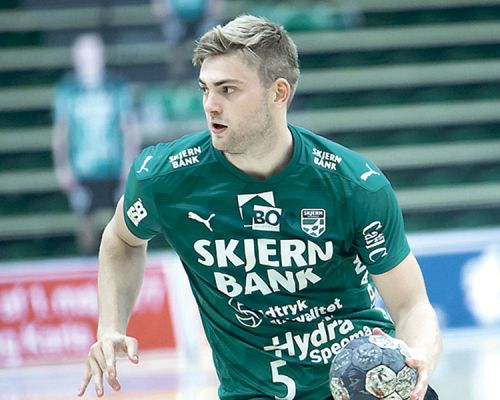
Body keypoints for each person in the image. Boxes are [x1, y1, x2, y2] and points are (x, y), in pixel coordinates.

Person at [77, 16, 442, 399]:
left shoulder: (353, 185)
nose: (210, 105)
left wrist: (418, 357)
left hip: (359, 388)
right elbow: (121, 238)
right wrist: (110, 327)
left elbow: (411, 306)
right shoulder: (165, 178)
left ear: (278, 92)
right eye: (205, 89)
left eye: (227, 90)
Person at [52, 33, 139, 255]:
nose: (89, 60)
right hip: (82, 167)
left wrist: (130, 163)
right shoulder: (67, 89)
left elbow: (128, 128)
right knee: (84, 219)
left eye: (93, 54)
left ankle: (119, 264)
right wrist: (62, 166)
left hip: (113, 164)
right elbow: (61, 132)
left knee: (120, 221)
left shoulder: (116, 86)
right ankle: (87, 261)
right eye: (84, 55)